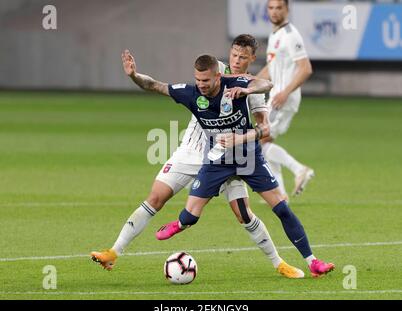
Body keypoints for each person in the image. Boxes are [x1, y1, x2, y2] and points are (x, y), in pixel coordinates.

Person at [91, 36, 304, 279]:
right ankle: (113, 252)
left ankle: (279, 263)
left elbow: (263, 113)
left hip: (226, 156)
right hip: (190, 151)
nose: (236, 60)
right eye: (234, 54)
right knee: (156, 197)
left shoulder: (251, 88)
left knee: (243, 214)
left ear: (251, 59)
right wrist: (134, 76)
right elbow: (159, 86)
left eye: (242, 57)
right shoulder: (214, 71)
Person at [257, 0, 314, 200]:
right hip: (276, 96)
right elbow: (271, 69)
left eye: (279, 7)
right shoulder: (275, 35)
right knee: (264, 142)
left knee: (259, 141)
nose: (274, 12)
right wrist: (249, 82)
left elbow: (305, 68)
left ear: (287, 9)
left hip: (283, 98)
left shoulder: (291, 35)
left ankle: (299, 169)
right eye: (271, 8)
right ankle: (280, 194)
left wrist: (285, 92)